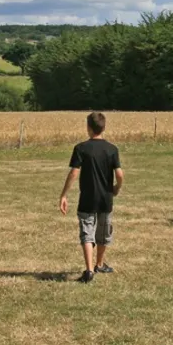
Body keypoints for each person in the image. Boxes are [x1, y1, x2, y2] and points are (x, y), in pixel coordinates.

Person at [58, 112, 124, 284]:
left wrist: (64, 194)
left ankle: (89, 270)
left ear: (88, 128)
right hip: (106, 198)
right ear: (104, 127)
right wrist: (116, 188)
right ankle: (99, 264)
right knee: (103, 233)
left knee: (87, 233)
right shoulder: (112, 149)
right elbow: (119, 174)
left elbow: (74, 172)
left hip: (87, 198)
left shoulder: (81, 148)